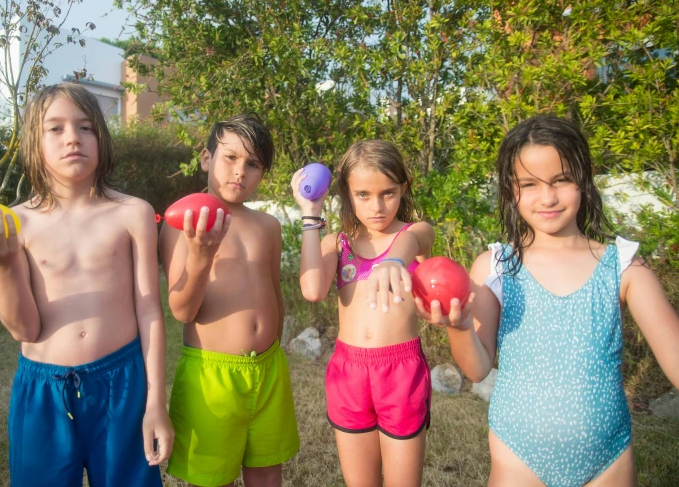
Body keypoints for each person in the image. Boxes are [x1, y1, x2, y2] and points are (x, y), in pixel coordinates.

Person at [370, 115, 679, 486]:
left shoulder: (625, 268)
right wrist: (461, 326)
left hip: (608, 462)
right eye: (529, 184)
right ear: (511, 190)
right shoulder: (496, 266)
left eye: (561, 180)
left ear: (584, 178)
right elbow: (478, 369)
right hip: (518, 459)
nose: (547, 197)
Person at [0, 83, 173, 487]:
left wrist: (155, 402)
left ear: (102, 139)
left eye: (86, 127)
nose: (73, 137)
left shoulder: (133, 213)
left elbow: (149, 311)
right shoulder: (14, 222)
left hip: (121, 384)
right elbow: (24, 330)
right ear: (32, 144)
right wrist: (2, 263)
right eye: (55, 128)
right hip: (42, 391)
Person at [160, 113, 300, 487]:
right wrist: (201, 254)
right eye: (230, 158)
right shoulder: (182, 222)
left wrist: (274, 349)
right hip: (211, 374)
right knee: (212, 478)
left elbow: (274, 293)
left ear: (263, 175)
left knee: (267, 470)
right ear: (207, 160)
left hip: (268, 370)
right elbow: (182, 310)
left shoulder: (267, 226)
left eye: (252, 164)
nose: (240, 171)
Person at [291, 140, 436, 486]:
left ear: (403, 188)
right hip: (348, 371)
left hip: (400, 370)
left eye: (388, 193)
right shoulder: (337, 243)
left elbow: (412, 242)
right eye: (363, 195)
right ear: (347, 194)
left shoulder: (415, 233)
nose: (377, 206)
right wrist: (311, 213)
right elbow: (312, 290)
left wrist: (392, 262)